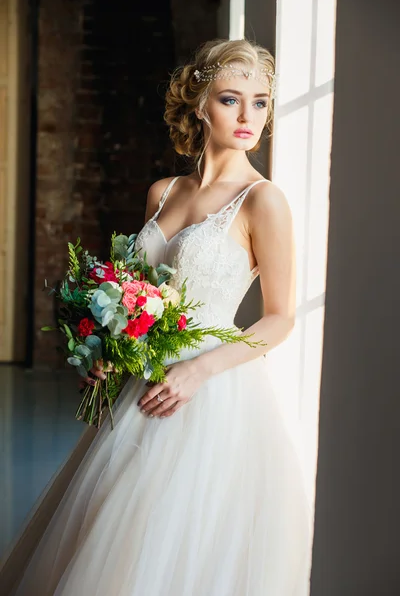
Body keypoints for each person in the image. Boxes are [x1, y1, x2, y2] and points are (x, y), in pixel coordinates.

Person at [12, 38, 313, 595]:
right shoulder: (163, 192)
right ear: (200, 104)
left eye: (262, 102)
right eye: (231, 99)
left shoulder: (263, 200)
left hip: (211, 394)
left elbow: (280, 318)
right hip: (142, 384)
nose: (249, 117)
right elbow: (136, 294)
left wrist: (198, 371)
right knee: (112, 538)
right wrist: (103, 349)